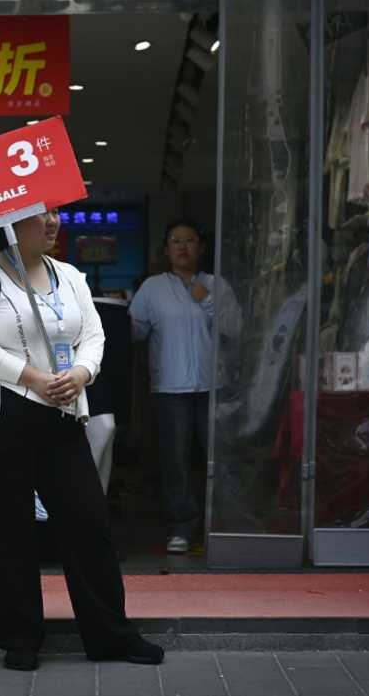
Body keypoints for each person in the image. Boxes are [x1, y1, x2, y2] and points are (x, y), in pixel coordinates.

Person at [0, 208, 163, 672]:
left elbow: (94, 335)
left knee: (88, 524)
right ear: (10, 221)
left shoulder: (68, 275)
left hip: (62, 414)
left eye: (54, 214)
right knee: (11, 532)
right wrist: (31, 377)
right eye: (38, 214)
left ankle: (110, 635)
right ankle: (20, 637)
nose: (51, 222)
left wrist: (82, 373)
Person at [129, 219, 242, 554]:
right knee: (176, 461)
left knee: (216, 458)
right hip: (170, 388)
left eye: (189, 240)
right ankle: (182, 527)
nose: (182, 247)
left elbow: (235, 328)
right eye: (175, 240)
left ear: (201, 247)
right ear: (166, 250)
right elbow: (135, 331)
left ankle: (222, 525)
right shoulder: (152, 288)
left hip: (212, 386)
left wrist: (206, 300)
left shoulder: (216, 284)